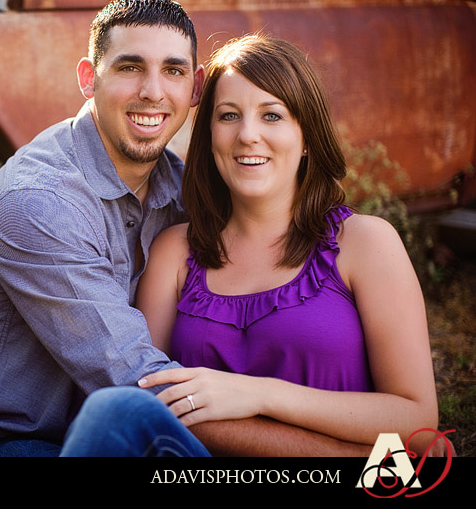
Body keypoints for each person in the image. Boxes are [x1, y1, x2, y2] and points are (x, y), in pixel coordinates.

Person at [60, 34, 441, 457]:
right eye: (228, 116)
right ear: (209, 136)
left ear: (307, 137)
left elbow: (419, 423)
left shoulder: (365, 244)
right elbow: (147, 394)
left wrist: (259, 395)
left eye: (272, 115)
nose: (247, 135)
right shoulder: (175, 253)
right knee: (113, 412)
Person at [0, 0, 205, 456]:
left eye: (173, 71)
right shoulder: (38, 203)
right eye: (130, 67)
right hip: (10, 444)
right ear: (88, 78)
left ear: (195, 88)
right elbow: (139, 385)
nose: (153, 92)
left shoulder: (179, 187)